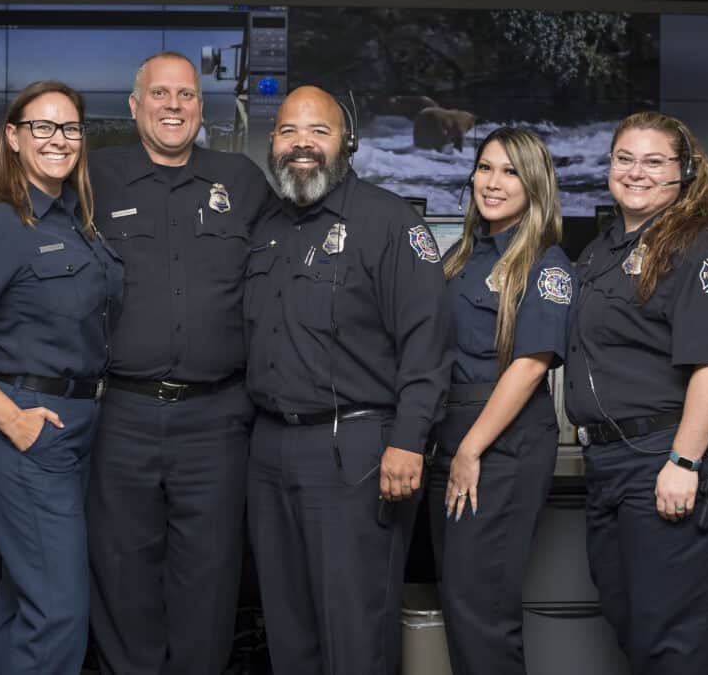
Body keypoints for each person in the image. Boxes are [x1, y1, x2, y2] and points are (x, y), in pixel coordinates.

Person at [244, 85, 451, 674]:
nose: (302, 144)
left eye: (319, 132)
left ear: (348, 144)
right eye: (288, 132)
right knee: (287, 626)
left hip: (356, 450)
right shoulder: (264, 227)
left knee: (354, 627)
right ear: (273, 143)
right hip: (269, 451)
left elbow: (428, 346)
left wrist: (408, 441)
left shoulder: (391, 224)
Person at [0, 81, 123, 675]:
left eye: (70, 129)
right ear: (12, 137)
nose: (58, 140)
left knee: (26, 603)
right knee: (59, 612)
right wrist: (15, 421)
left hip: (76, 428)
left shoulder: (74, 220)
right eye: (42, 127)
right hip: (29, 432)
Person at [85, 52, 271, 675]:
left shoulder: (241, 181)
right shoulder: (94, 176)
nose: (173, 105)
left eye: (186, 95)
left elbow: (287, 276)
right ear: (134, 106)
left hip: (218, 418)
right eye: (159, 94)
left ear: (202, 107)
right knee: (122, 570)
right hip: (122, 414)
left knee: (211, 576)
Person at [564, 111, 708, 674]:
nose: (635, 172)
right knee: (630, 622)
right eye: (624, 159)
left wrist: (684, 459)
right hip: (612, 461)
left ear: (685, 172)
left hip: (667, 454)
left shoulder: (705, 252)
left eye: (654, 161)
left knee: (671, 640)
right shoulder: (603, 250)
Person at [428, 127, 575, 675]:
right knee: (461, 601)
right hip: (452, 436)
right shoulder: (463, 255)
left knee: (481, 608)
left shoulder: (547, 265)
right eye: (485, 168)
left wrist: (470, 450)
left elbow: (530, 364)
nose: (493, 183)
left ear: (534, 184)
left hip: (499, 447)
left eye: (510, 172)